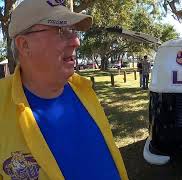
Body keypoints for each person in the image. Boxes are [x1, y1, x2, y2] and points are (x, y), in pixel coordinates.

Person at [0, 0, 128, 180]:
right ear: (24, 45)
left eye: (73, 31)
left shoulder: (83, 89)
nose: (76, 42)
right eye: (62, 31)